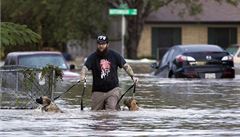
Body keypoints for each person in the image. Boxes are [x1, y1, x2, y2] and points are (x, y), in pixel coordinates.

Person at [80, 35, 138, 111]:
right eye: (99, 44)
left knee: (111, 110)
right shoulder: (92, 57)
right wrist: (82, 75)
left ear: (107, 44)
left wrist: (133, 76)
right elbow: (85, 68)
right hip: (97, 91)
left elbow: (126, 66)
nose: (101, 46)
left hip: (113, 90)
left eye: (103, 44)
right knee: (95, 114)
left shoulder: (115, 55)